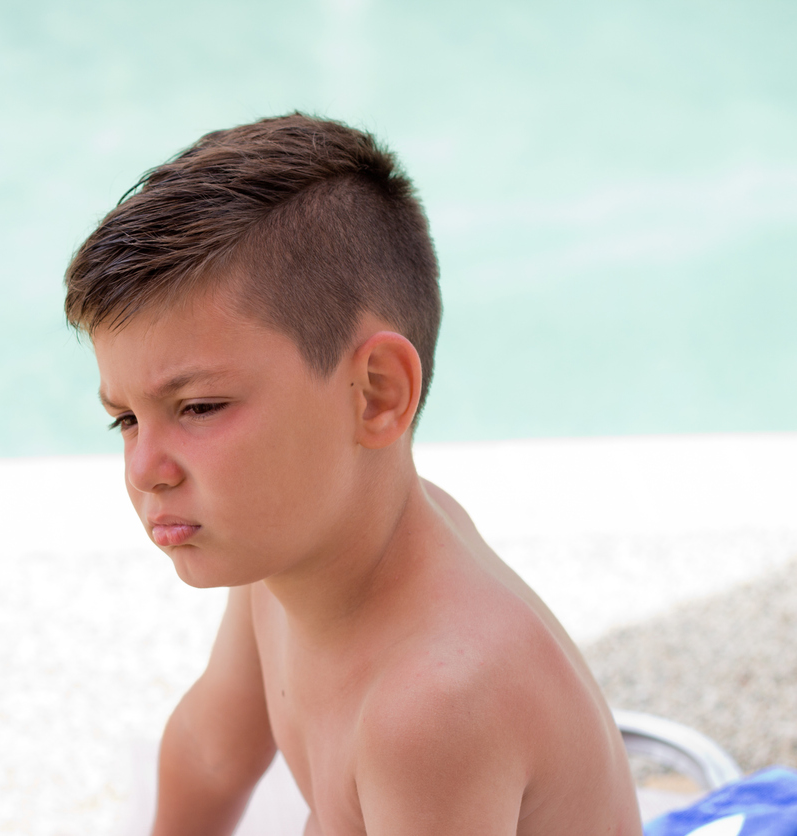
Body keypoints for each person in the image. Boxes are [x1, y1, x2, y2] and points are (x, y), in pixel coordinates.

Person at [64, 113, 642, 836]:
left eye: (200, 406)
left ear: (376, 395)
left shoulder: (434, 705)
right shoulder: (290, 560)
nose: (146, 468)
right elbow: (207, 757)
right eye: (125, 420)